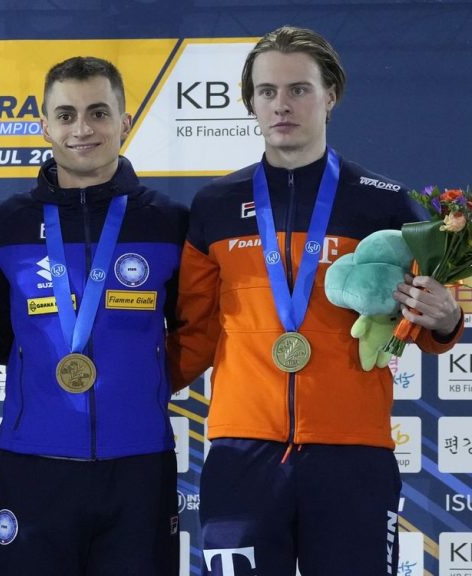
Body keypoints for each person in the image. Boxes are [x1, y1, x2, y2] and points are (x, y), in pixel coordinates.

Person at [167, 25, 463, 576]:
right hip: (241, 452)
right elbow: (196, 330)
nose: (283, 105)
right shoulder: (215, 206)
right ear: (250, 102)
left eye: (299, 89)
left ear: (330, 95)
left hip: (353, 452)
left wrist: (447, 321)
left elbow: (421, 324)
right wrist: (129, 385)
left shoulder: (384, 203)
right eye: (268, 91)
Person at [0, 56, 188, 576]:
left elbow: (195, 331)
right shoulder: (7, 225)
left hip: (139, 464)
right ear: (44, 125)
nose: (82, 129)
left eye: (98, 112)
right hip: (33, 465)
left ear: (126, 120)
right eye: (66, 115)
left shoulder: (170, 223)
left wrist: (139, 388)